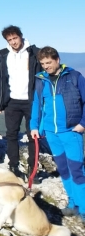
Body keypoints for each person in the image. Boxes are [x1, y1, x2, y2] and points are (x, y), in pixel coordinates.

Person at [30, 47, 85, 220]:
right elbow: (36, 105)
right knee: (63, 169)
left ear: (57, 60)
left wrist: (83, 124)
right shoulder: (41, 80)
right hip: (51, 134)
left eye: (49, 62)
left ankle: (83, 209)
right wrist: (34, 126)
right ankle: (72, 204)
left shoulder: (74, 77)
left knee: (76, 169)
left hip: (70, 132)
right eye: (43, 63)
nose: (46, 66)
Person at [0, 25, 40, 180]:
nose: (13, 42)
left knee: (33, 135)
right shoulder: (4, 55)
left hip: (31, 101)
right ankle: (14, 165)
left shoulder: (34, 53)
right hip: (12, 101)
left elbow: (41, 78)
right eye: (10, 39)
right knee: (11, 134)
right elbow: (0, 79)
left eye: (15, 38)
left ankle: (33, 169)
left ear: (21, 36)